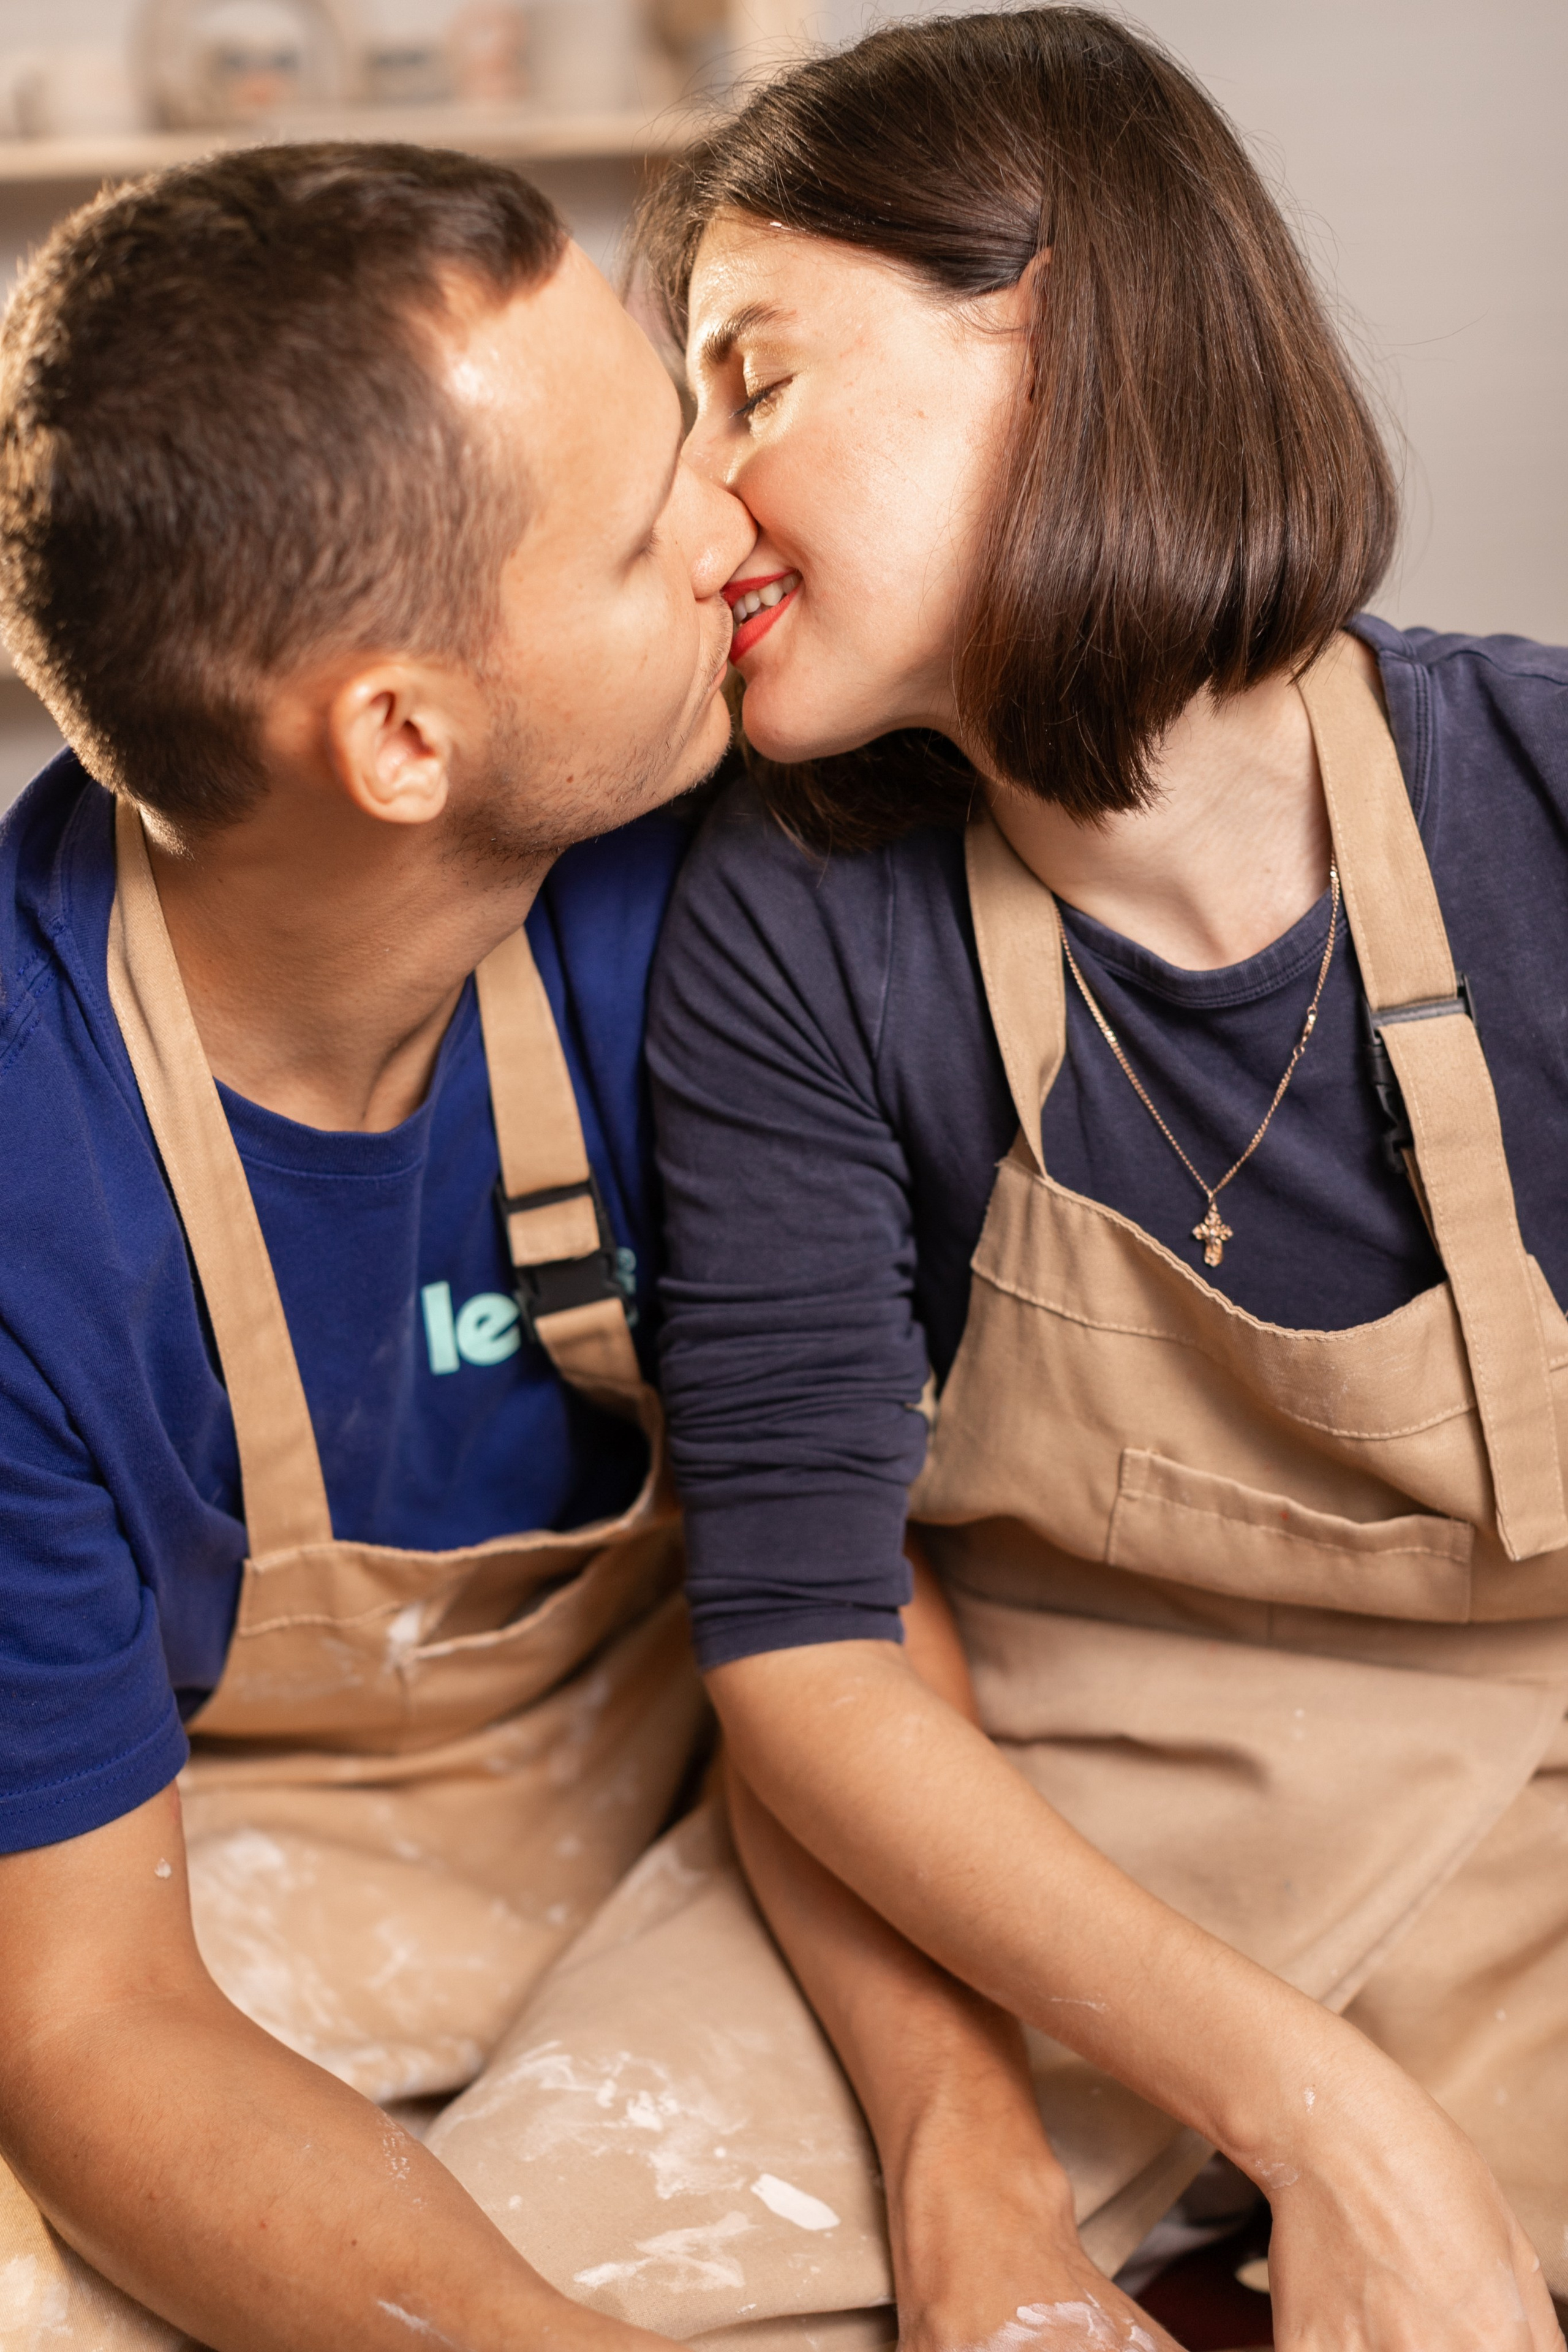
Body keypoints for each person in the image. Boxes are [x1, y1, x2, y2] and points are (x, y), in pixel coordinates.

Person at [0, 140, 1127, 2352]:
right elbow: (87, 2022)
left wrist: (973, 2173)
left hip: (729, 1795)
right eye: (640, 531)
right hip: (188, 1886)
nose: (736, 523)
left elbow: (824, 1605)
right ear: (402, 736)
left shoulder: (696, 879)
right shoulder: (30, 1193)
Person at [632, 12, 1568, 2352]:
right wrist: (1310, 2111)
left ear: (1049, 335)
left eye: (752, 385)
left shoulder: (1545, 795)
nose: (706, 506)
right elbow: (807, 1652)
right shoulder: (789, 916)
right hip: (1049, 1833)